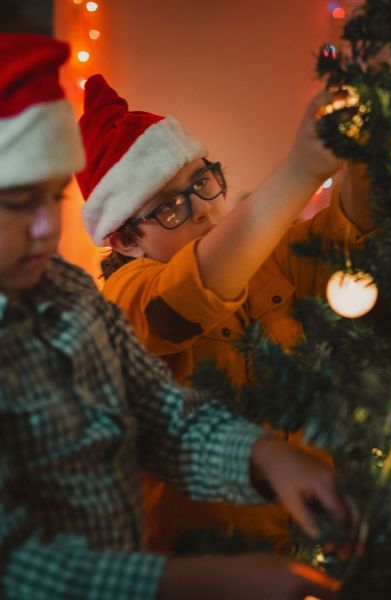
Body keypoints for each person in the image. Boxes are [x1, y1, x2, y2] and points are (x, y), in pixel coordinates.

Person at [0, 33, 346, 599]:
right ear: (123, 237)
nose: (44, 229)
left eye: (50, 201)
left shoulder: (63, 295)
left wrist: (266, 457)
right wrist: (204, 581)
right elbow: (18, 570)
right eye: (18, 206)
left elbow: (165, 418)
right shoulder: (126, 294)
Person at [76, 69, 373, 552]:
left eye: (203, 182)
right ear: (124, 240)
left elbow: (348, 242)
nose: (203, 209)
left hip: (309, 546)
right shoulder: (120, 303)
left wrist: (359, 155)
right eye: (170, 207)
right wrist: (300, 169)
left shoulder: (263, 256)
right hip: (202, 566)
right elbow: (185, 301)